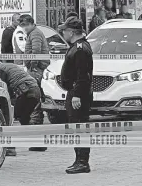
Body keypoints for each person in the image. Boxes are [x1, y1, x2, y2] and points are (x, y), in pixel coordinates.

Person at [0, 61, 43, 156]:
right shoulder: (6, 65)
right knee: (24, 118)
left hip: (27, 92)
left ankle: (10, 148)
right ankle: (39, 144)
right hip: (35, 90)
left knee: (10, 117)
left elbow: (2, 89)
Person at [58, 16, 93, 174]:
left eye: (64, 30)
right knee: (75, 126)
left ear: (71, 32)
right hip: (74, 91)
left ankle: (82, 162)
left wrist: (77, 95)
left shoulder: (80, 49)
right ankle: (79, 160)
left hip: (79, 93)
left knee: (80, 126)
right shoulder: (77, 46)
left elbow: (83, 75)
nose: (63, 33)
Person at [19, 14, 49, 152]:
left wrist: (32, 67)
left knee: (35, 105)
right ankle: (38, 141)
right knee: (36, 105)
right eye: (22, 25)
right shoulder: (33, 33)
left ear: (31, 24)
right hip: (36, 70)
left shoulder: (35, 34)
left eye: (25, 25)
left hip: (36, 71)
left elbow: (35, 52)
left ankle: (39, 141)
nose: (24, 28)